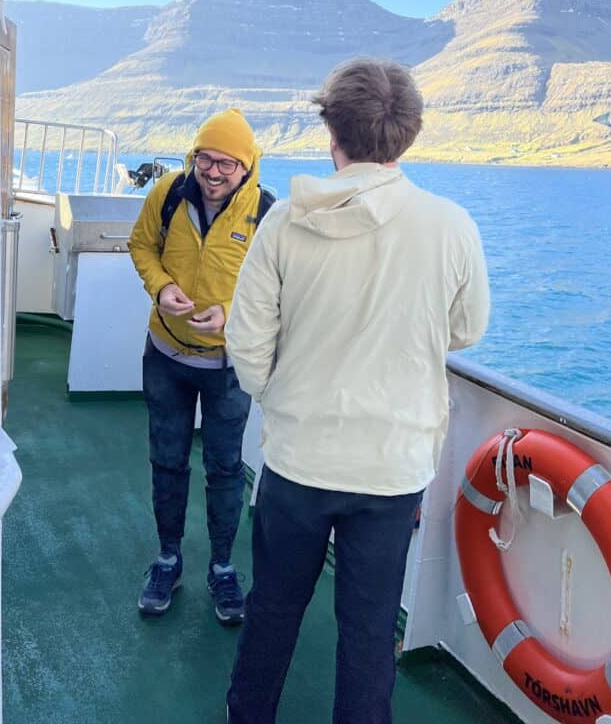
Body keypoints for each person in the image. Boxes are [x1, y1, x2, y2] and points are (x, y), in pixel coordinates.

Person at [224, 58, 490, 723]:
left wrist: (279, 399)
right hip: (392, 470)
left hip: (298, 460)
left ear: (330, 130)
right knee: (370, 633)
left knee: (274, 610)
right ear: (409, 134)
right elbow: (467, 329)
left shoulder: (283, 222)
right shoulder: (450, 225)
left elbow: (247, 344)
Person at [127, 108, 270, 625]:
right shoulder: (167, 193)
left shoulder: (266, 216)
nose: (212, 173)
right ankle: (167, 559)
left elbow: (277, 292)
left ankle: (223, 568)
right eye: (205, 159)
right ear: (193, 157)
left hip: (227, 367)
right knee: (166, 460)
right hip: (165, 356)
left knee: (226, 468)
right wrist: (161, 286)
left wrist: (230, 318)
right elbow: (142, 245)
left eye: (226, 164)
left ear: (247, 166)